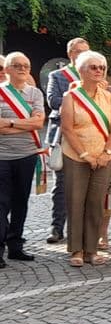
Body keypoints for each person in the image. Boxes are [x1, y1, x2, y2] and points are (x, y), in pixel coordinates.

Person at [59, 51, 111, 267]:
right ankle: (76, 250)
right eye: (93, 67)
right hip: (76, 156)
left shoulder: (109, 96)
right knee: (76, 202)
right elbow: (67, 129)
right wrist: (85, 154)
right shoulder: (71, 97)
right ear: (81, 71)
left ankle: (92, 250)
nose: (98, 71)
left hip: (103, 158)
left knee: (96, 203)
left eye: (101, 67)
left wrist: (106, 153)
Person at [0, 52, 46, 267]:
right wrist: (24, 123)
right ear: (6, 69)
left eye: (26, 65)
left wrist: (8, 124)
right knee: (1, 204)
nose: (22, 69)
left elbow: (38, 124)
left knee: (21, 202)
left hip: (27, 155)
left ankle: (15, 246)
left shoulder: (35, 93)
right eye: (16, 65)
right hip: (2, 157)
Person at [44, 37, 90, 244]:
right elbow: (53, 101)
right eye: (80, 52)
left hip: (88, 136)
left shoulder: (93, 75)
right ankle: (56, 227)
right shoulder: (58, 75)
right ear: (71, 54)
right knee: (61, 185)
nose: (84, 55)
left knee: (86, 185)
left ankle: (82, 230)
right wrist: (78, 102)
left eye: (87, 51)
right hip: (62, 135)